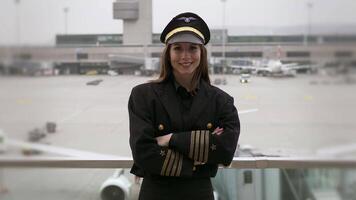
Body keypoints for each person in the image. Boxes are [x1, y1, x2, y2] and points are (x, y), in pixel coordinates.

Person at [128, 12, 240, 200]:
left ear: (201, 53)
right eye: (178, 48)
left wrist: (169, 139)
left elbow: (226, 149)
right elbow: (143, 153)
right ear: (168, 54)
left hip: (199, 194)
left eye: (192, 48)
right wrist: (199, 162)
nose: (185, 56)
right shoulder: (143, 96)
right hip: (156, 194)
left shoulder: (221, 101)